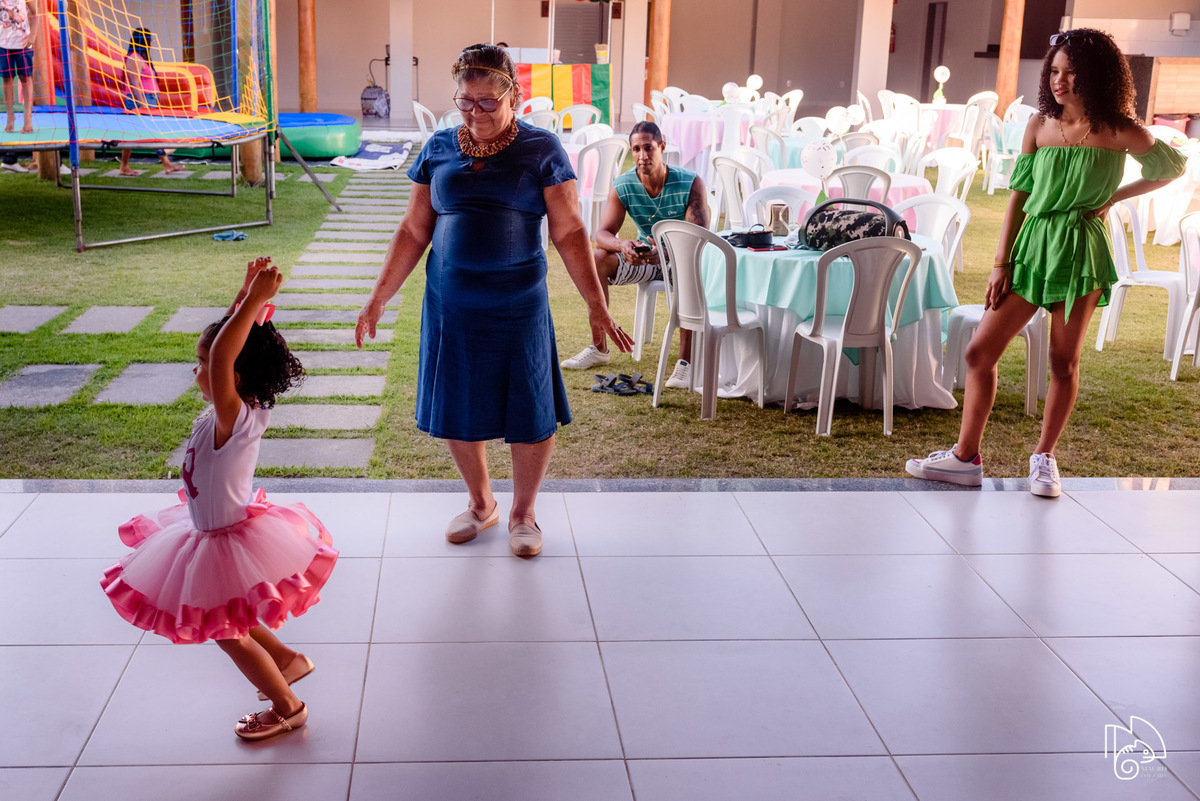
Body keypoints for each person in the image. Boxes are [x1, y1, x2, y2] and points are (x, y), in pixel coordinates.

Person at [355, 44, 631, 557]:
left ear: (513, 96)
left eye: (487, 102)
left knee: (528, 401)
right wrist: (378, 298)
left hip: (517, 300)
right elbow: (415, 231)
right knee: (458, 399)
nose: (475, 113)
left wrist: (596, 303)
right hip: (450, 301)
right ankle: (481, 504)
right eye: (465, 102)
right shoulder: (438, 147)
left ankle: (524, 513)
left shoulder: (542, 149)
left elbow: (570, 232)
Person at [906, 28, 1186, 497]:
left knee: (1062, 360)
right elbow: (1019, 196)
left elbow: (1170, 167)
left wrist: (1116, 196)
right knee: (979, 352)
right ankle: (965, 458)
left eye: (1071, 72)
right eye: (1054, 71)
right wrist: (1000, 263)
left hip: (1080, 249)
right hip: (1032, 247)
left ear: (1095, 75)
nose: (1060, 81)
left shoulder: (1118, 129)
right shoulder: (1039, 124)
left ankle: (1044, 459)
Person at [100, 258, 338, 741]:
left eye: (207, 363)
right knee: (234, 620)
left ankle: (288, 707)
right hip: (209, 533)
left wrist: (251, 302)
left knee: (227, 633)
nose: (199, 368)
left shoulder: (235, 417)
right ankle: (289, 661)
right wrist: (245, 296)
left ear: (234, 376)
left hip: (225, 540)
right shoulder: (226, 410)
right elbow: (233, 343)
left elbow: (229, 352)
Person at [559, 121, 709, 389]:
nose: (642, 155)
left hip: (682, 259)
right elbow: (602, 233)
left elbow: (695, 238)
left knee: (687, 266)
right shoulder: (624, 184)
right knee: (597, 258)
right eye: (636, 149)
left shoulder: (690, 182)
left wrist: (663, 251)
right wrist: (624, 246)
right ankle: (599, 348)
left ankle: (685, 361)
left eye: (649, 148)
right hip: (647, 258)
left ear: (662, 147)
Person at [118, 27, 182, 175]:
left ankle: (166, 164)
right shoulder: (134, 58)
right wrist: (142, 103)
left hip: (149, 99)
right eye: (149, 39)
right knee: (136, 134)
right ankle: (125, 166)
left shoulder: (143, 58)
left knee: (151, 133)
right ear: (143, 40)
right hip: (140, 100)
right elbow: (134, 84)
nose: (152, 41)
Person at [0, 0, 36, 135]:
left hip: (23, 43)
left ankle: (28, 117)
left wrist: (33, 34)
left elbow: (35, 13)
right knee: (7, 79)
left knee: (25, 78)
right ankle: (10, 116)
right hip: (3, 44)